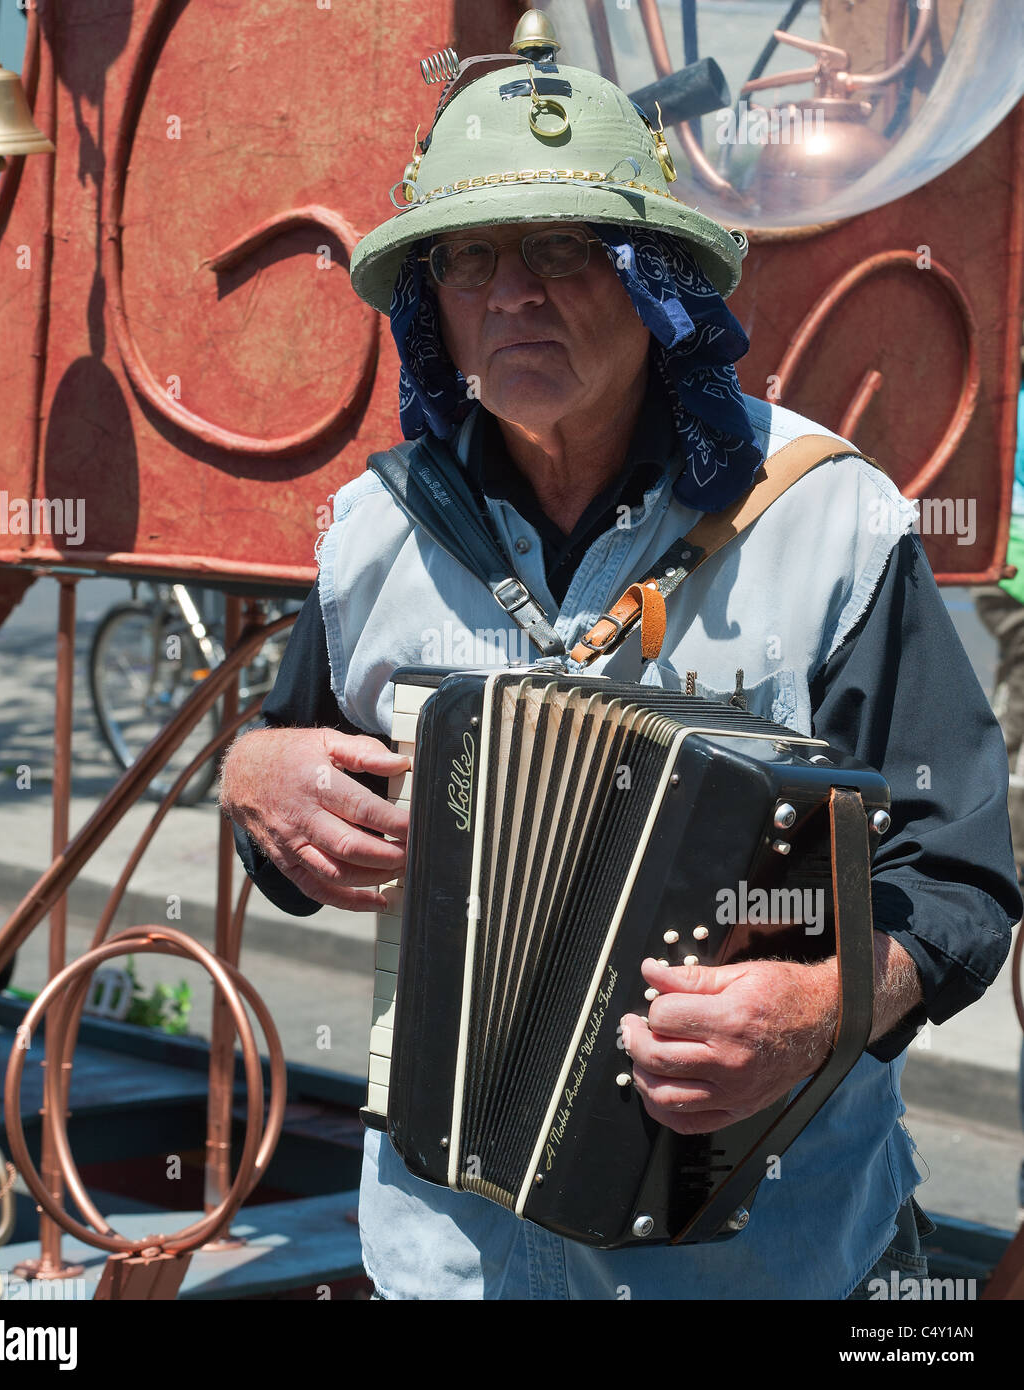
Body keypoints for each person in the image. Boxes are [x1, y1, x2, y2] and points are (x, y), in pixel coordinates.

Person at [219, 19, 1020, 1299]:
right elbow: (303, 832)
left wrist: (821, 1013)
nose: (512, 295)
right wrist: (253, 771)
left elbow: (961, 876)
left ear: (656, 285)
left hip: (773, 1265)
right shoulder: (374, 528)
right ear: (433, 306)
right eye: (470, 259)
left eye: (564, 251)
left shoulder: (823, 517)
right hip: (447, 1265)